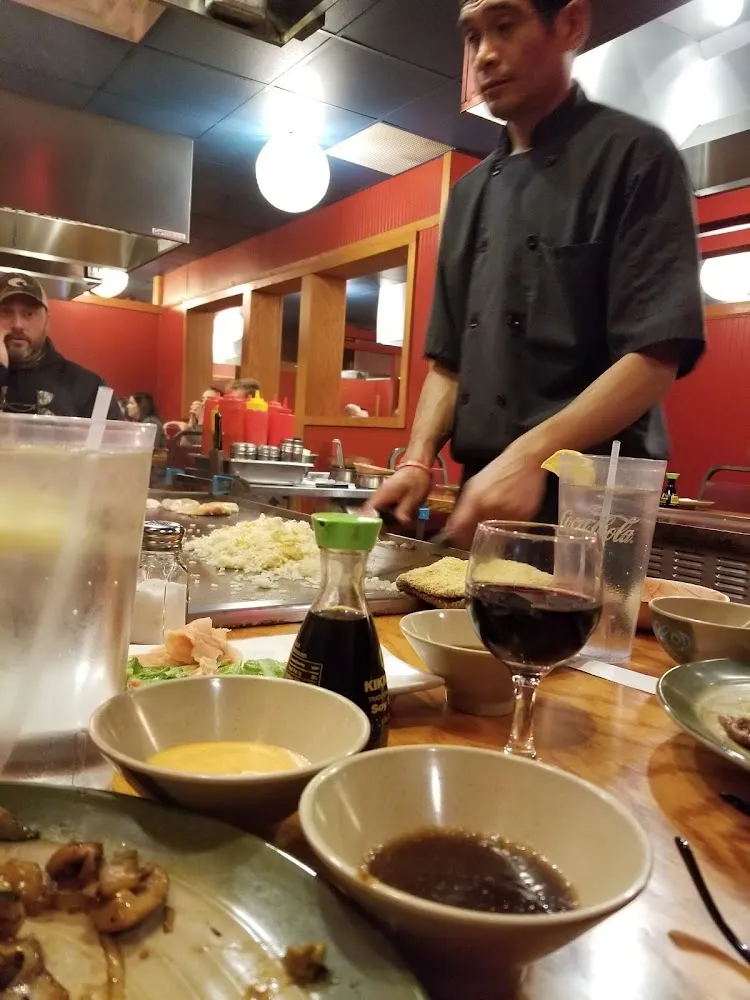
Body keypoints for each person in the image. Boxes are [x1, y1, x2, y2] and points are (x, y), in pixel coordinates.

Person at [369, 0, 705, 549]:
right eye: (473, 37)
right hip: (487, 491)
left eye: (505, 25)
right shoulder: (470, 193)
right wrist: (416, 460)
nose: (485, 55)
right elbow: (449, 364)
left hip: (595, 501)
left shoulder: (636, 155)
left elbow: (654, 357)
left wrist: (530, 455)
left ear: (570, 24)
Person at [0, 273, 121, 419]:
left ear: (47, 322)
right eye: (5, 312)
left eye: (29, 313)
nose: (17, 325)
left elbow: (116, 441)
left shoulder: (88, 387)